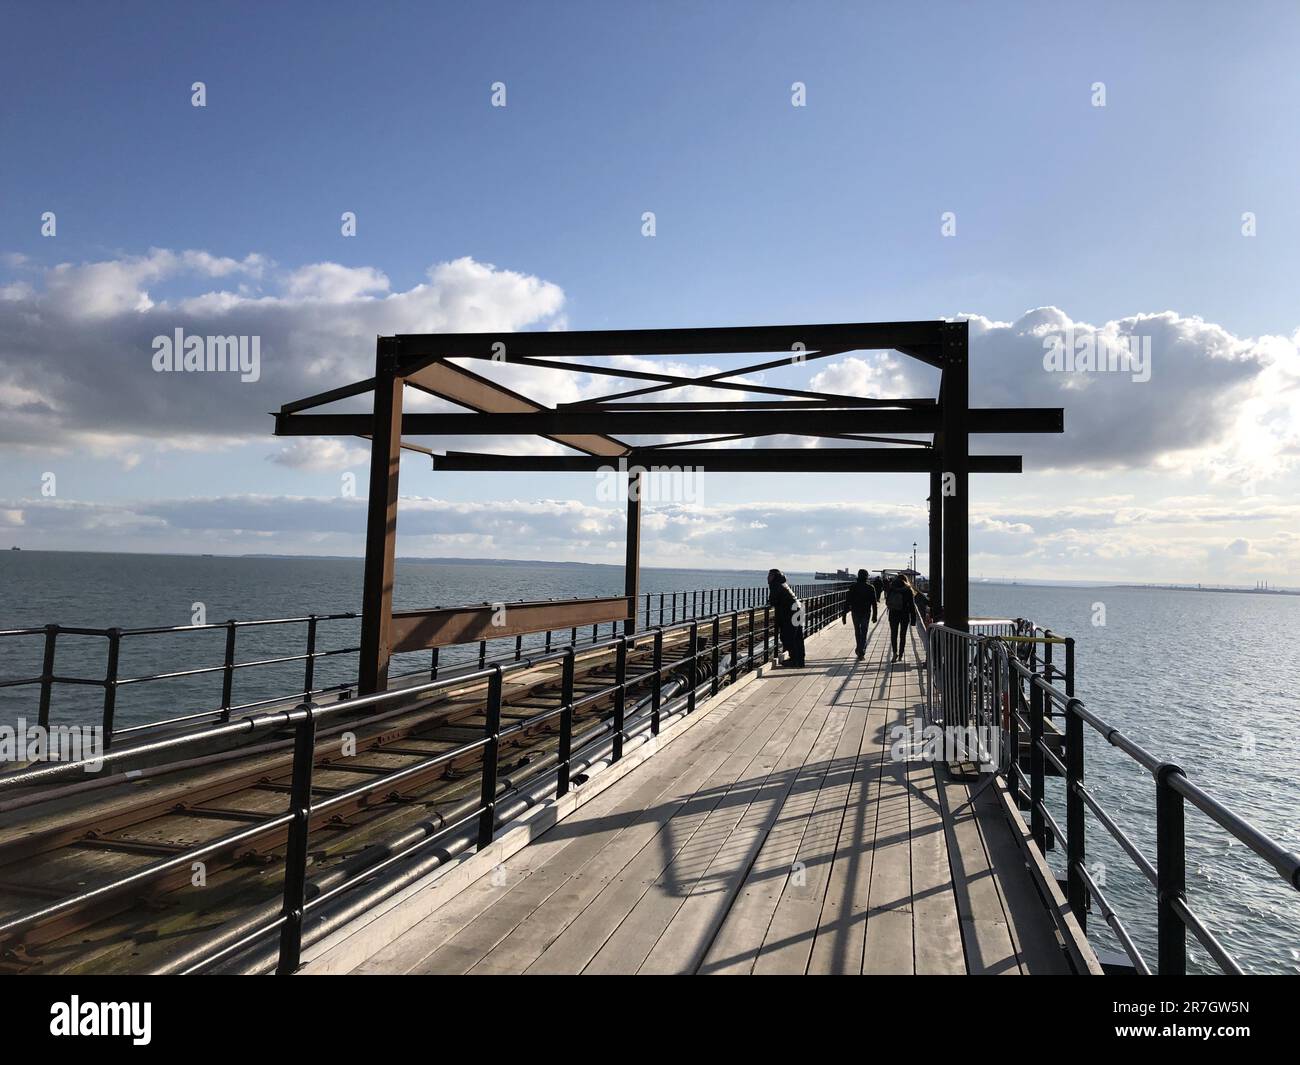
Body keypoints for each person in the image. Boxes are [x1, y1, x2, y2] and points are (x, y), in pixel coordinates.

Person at [767, 568, 805, 667]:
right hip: (798, 610)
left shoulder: (776, 585)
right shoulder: (783, 584)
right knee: (797, 637)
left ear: (774, 577)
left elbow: (773, 601)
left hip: (791, 613)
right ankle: (799, 660)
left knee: (788, 637)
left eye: (770, 576)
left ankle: (795, 660)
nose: (768, 578)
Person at [841, 568, 878, 659]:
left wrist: (844, 615)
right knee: (864, 631)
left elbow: (847, 601)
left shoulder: (853, 587)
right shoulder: (870, 588)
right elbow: (874, 603)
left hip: (855, 612)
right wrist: (874, 615)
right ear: (866, 577)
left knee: (857, 631)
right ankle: (861, 650)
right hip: (866, 612)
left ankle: (859, 648)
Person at [884, 572, 916, 663]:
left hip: (893, 613)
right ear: (905, 580)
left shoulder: (892, 588)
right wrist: (913, 619)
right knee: (903, 635)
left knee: (893, 634)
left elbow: (887, 601)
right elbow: (912, 605)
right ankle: (901, 655)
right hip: (904, 614)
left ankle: (894, 653)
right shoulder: (908, 590)